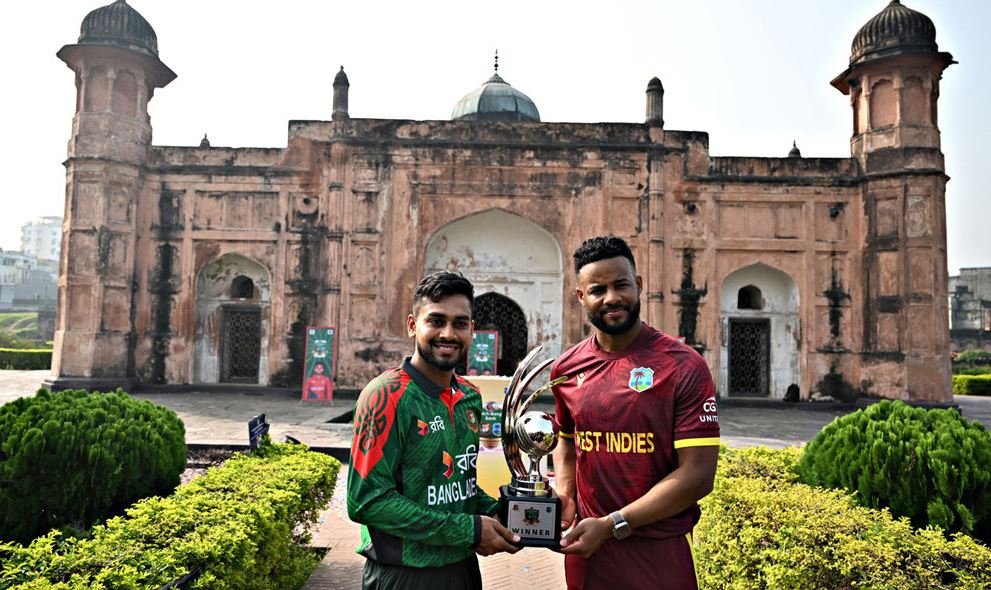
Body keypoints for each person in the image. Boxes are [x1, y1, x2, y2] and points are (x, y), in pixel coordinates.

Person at [551, 236, 720, 590]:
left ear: (639, 285)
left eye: (621, 285)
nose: (611, 298)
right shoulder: (566, 369)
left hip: (658, 551)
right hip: (589, 552)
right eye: (597, 290)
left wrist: (613, 523)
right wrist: (565, 493)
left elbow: (698, 474)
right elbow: (566, 440)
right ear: (581, 296)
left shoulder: (682, 365)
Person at [347, 271, 520, 589]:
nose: (448, 334)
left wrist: (504, 512)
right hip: (405, 574)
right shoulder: (386, 396)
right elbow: (367, 501)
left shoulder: (469, 396)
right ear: (413, 325)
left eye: (460, 323)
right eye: (436, 321)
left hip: (462, 567)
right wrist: (469, 531)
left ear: (472, 330)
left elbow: (457, 483)